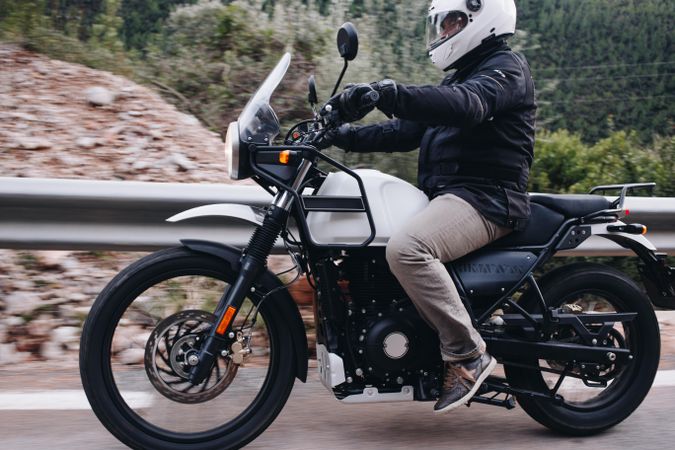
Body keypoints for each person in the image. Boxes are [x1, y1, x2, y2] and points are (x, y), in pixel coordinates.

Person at [318, 0, 536, 414]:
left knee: (407, 249)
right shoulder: (463, 75)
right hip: (453, 195)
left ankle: (467, 353)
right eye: (440, 24)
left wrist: (389, 92)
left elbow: (469, 104)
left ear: (480, 18)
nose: (442, 33)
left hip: (486, 199)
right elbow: (402, 132)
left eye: (451, 22)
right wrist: (340, 136)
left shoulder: (505, 68)